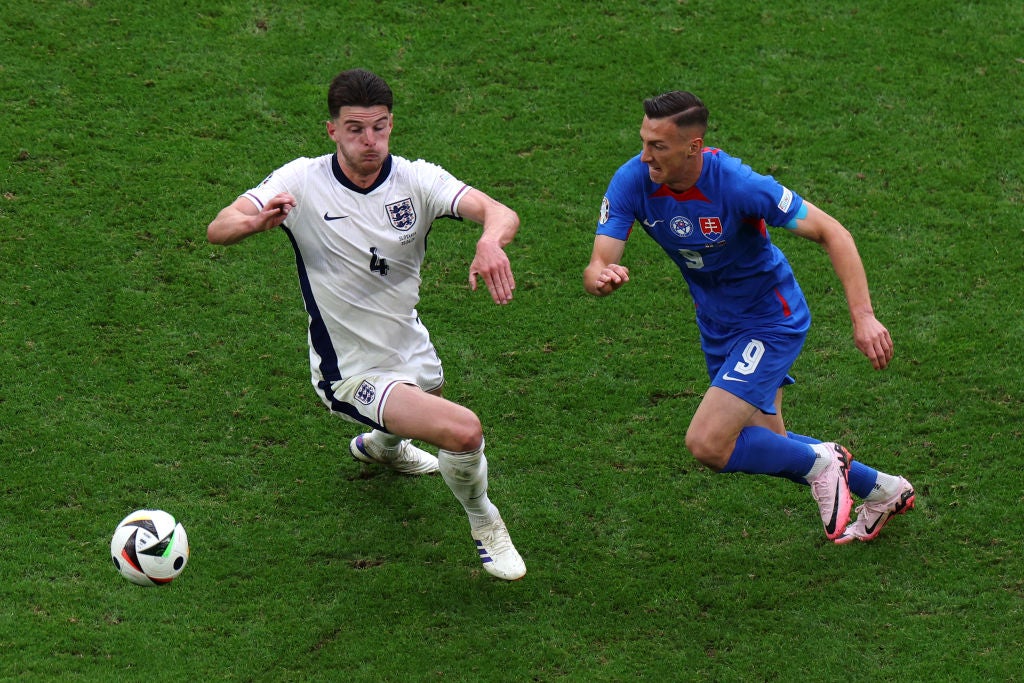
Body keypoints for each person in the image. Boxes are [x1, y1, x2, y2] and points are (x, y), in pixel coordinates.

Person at [207, 68, 526, 579]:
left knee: (428, 391)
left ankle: (380, 447)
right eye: (355, 129)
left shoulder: (417, 179)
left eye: (378, 128)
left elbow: (499, 211)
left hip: (406, 342)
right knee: (462, 431)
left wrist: (489, 241)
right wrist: (252, 221)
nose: (369, 141)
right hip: (349, 369)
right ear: (332, 130)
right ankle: (484, 520)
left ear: (391, 126)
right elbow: (218, 227)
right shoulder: (299, 180)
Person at [584, 91, 915, 543]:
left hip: (769, 320)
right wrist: (602, 276)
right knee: (770, 444)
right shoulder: (633, 181)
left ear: (694, 147)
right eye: (644, 142)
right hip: (718, 326)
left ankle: (825, 461)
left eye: (658, 146)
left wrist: (864, 317)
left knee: (708, 443)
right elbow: (597, 262)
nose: (645, 156)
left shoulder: (739, 185)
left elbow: (832, 232)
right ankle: (885, 490)